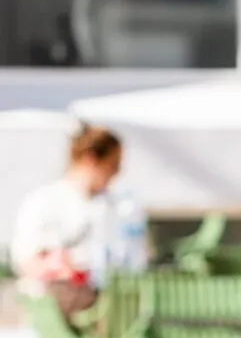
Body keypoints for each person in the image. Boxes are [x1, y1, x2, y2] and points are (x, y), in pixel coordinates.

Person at [11, 124, 148, 312]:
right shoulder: (45, 201)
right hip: (62, 302)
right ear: (91, 158)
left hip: (106, 300)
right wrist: (62, 269)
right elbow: (27, 258)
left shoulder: (116, 206)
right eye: (113, 165)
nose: (117, 172)